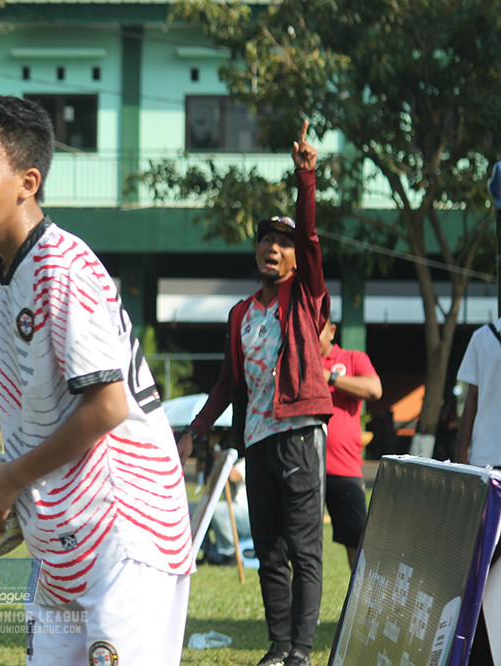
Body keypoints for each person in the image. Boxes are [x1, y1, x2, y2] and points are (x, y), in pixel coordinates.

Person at [0, 92, 194, 665]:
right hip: (61, 538)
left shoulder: (63, 264)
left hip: (125, 532)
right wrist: (16, 483)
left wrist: (10, 478)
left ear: (27, 182)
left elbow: (107, 406)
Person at [177, 120, 332, 666]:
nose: (274, 247)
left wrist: (305, 177)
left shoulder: (307, 297)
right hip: (258, 438)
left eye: (284, 242)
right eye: (267, 239)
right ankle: (278, 648)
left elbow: (312, 236)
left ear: (295, 258)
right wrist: (195, 431)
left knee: (304, 548)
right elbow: (227, 383)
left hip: (298, 432)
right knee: (268, 549)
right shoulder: (241, 313)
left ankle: (302, 653)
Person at [319, 319, 383, 569]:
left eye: (316, 332)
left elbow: (374, 389)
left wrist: (328, 377)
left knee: (357, 541)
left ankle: (358, 604)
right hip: (306, 470)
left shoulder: (353, 359)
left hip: (344, 470)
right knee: (302, 543)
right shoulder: (298, 360)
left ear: (332, 330)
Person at [455, 316, 501, 467]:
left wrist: (461, 452)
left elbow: (471, 396)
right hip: (486, 456)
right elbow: (472, 397)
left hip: (485, 454)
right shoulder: (482, 338)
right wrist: (461, 452)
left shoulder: (483, 337)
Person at [196, 456, 252, 566]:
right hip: (234, 512)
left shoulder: (249, 460)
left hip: (249, 515)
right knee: (198, 509)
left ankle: (230, 555)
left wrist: (223, 458)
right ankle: (204, 550)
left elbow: (233, 476)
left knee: (218, 510)